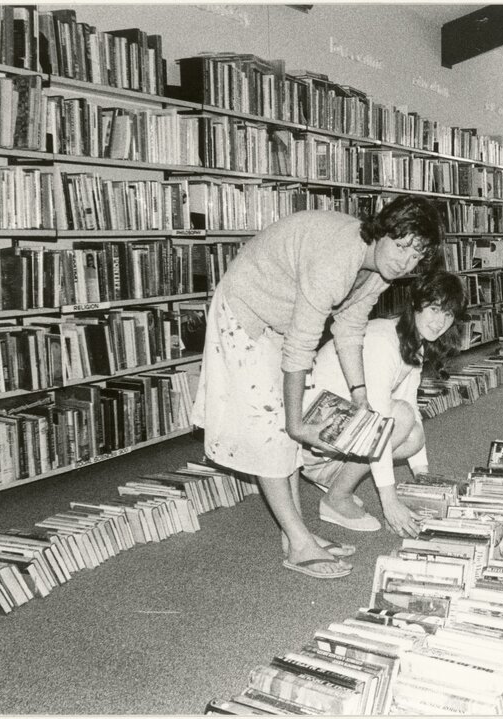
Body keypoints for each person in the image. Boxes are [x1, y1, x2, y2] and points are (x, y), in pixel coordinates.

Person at [190, 197, 443, 579]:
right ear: (383, 231)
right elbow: (301, 347)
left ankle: (296, 533)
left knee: (283, 433)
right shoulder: (337, 257)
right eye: (401, 246)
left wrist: (360, 394)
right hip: (246, 311)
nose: (405, 263)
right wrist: (296, 424)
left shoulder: (379, 271)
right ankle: (298, 542)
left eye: (416, 256)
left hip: (282, 320)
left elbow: (349, 327)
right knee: (272, 430)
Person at [301, 271, 466, 539]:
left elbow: (411, 409)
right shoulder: (383, 341)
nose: (440, 322)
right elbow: (379, 422)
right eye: (435, 309)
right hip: (313, 437)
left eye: (448, 315)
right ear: (415, 304)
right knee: (399, 416)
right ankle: (336, 498)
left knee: (414, 435)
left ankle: (335, 479)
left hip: (339, 431)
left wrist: (424, 480)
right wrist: (389, 503)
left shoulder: (414, 343)